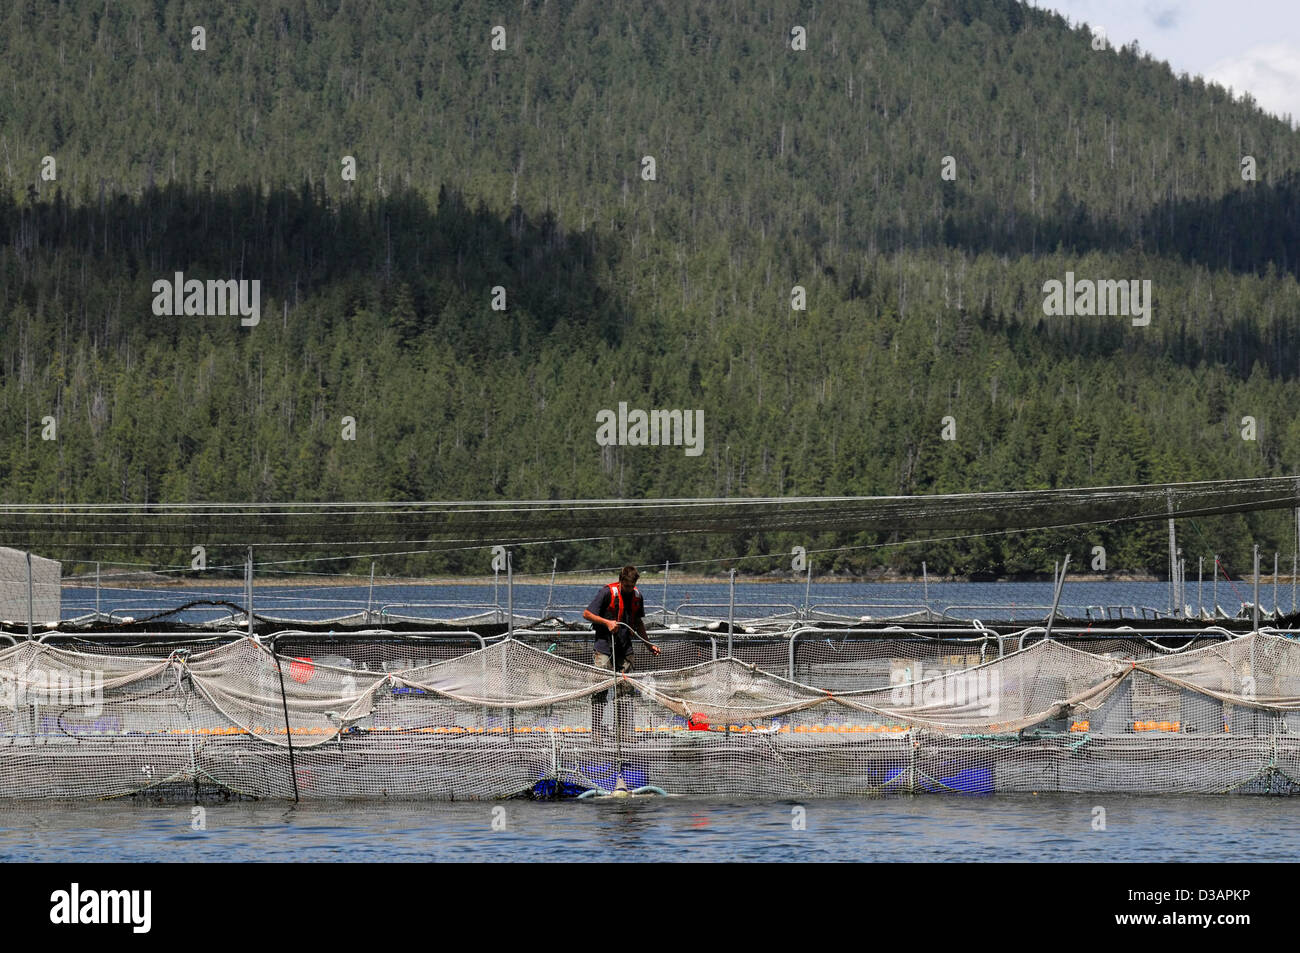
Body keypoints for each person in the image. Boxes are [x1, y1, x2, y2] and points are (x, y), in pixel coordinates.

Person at [582, 565, 660, 737]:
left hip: (625, 649)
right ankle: (597, 732)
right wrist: (607, 622)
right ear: (620, 581)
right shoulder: (607, 593)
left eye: (632, 586)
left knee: (625, 692)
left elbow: (638, 622)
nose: (629, 589)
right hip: (604, 648)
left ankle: (623, 733)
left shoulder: (637, 596)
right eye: (626, 586)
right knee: (600, 691)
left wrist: (648, 644)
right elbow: (586, 614)